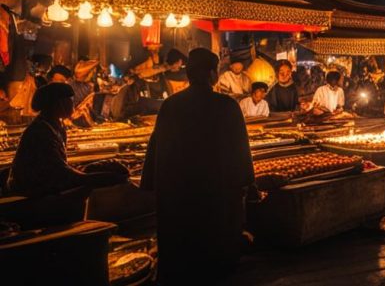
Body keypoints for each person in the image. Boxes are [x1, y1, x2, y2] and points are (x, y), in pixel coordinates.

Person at [141, 48, 255, 283]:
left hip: (179, 192)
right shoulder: (227, 106)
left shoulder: (171, 105)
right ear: (213, 74)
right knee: (216, 246)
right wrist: (247, 183)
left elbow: (157, 148)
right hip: (216, 191)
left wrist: (150, 182)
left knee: (182, 248)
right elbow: (241, 150)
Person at [6, 83, 127, 198]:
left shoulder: (56, 125)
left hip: (46, 182)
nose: (73, 104)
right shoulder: (40, 131)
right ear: (58, 104)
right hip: (28, 190)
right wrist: (97, 178)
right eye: (70, 101)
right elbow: (60, 173)